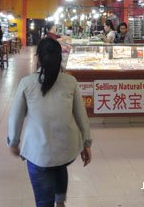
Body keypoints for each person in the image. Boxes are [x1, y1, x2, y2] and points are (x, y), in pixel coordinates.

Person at [8, 38, 92, 207]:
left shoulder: (27, 83)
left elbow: (16, 116)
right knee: (59, 164)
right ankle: (60, 201)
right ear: (60, 58)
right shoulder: (71, 82)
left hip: (38, 151)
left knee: (43, 199)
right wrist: (86, 144)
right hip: (65, 149)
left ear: (38, 58)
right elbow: (81, 115)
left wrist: (14, 142)